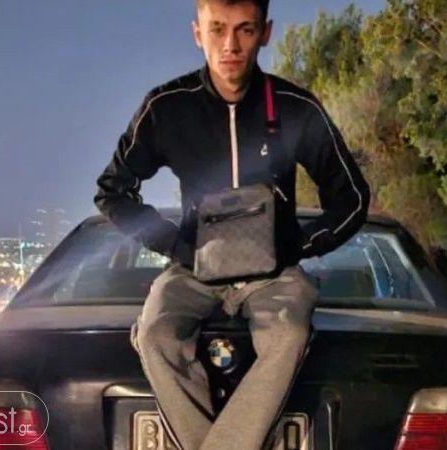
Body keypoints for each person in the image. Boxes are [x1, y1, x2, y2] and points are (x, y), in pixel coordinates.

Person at [94, 1, 371, 448]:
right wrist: (179, 247)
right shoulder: (167, 107)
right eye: (217, 29)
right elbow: (112, 191)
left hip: (274, 275)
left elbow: (352, 198)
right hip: (192, 270)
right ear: (197, 33)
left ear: (265, 33)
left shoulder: (295, 107)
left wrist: (296, 247)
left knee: (289, 334)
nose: (230, 45)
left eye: (245, 30)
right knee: (155, 334)